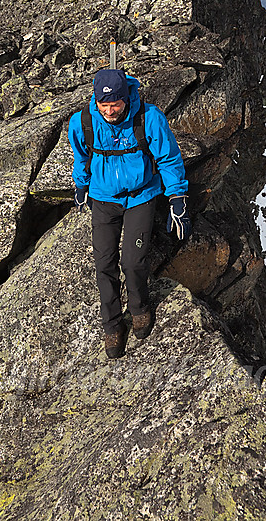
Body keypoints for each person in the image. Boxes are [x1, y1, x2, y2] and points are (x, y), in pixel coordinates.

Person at [68, 68, 191, 359]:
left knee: (133, 262)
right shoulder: (83, 122)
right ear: (95, 100)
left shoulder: (149, 118)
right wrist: (81, 185)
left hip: (141, 196)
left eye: (116, 104)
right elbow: (81, 156)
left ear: (127, 98)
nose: (110, 111)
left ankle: (139, 307)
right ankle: (112, 325)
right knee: (104, 264)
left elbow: (168, 157)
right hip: (103, 198)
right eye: (104, 104)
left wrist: (177, 198)